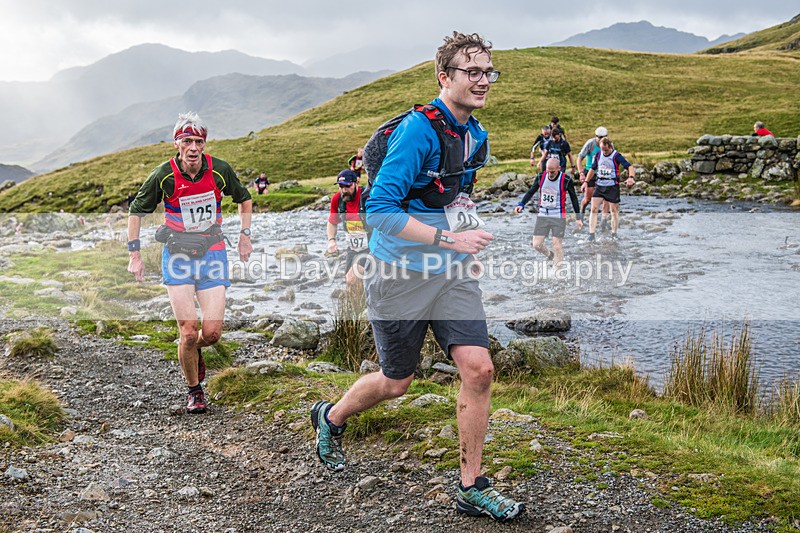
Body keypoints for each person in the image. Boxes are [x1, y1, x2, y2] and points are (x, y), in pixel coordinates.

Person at [309, 31, 524, 522]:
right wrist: (450, 239)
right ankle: (332, 416)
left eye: (488, 71)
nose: (482, 80)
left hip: (450, 274)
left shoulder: (477, 136)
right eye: (471, 71)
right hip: (397, 273)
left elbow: (456, 197)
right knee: (396, 381)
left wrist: (466, 232)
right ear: (444, 77)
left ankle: (472, 485)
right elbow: (378, 209)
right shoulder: (417, 131)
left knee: (479, 369)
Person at [127, 112, 253, 414]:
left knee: (210, 334)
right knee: (187, 331)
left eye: (198, 141)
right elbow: (136, 212)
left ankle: (192, 350)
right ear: (177, 143)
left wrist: (245, 235)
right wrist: (135, 255)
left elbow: (244, 199)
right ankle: (195, 390)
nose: (193, 147)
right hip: (177, 256)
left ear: (204, 144)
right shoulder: (164, 175)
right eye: (187, 141)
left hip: (213, 253)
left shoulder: (220, 170)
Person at [514, 158, 583, 264]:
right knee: (536, 244)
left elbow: (574, 199)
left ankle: (558, 272)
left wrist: (578, 218)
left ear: (559, 169)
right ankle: (550, 255)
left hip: (558, 216)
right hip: (543, 215)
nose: (550, 174)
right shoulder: (540, 177)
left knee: (557, 245)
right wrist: (521, 204)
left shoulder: (566, 180)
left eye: (553, 172)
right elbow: (531, 191)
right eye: (548, 171)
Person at [584, 137, 635, 241]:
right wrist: (585, 182)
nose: (604, 152)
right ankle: (591, 234)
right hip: (599, 185)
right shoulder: (598, 155)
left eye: (606, 150)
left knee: (614, 210)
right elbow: (592, 169)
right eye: (602, 150)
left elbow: (629, 167)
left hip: (612, 186)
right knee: (593, 209)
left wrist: (631, 178)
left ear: (610, 146)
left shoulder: (617, 156)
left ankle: (614, 234)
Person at [326, 169, 369, 288]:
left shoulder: (367, 197)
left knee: (353, 278)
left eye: (347, 186)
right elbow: (332, 222)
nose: (344, 190)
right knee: (350, 284)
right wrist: (331, 240)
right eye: (341, 187)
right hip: (353, 248)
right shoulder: (337, 200)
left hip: (372, 247)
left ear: (357, 183)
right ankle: (357, 306)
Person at [578, 126, 611, 228]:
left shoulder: (610, 145)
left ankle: (603, 221)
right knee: (588, 199)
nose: (601, 141)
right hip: (590, 172)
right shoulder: (590, 144)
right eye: (599, 138)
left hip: (603, 173)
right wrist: (581, 173)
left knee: (606, 198)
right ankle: (582, 214)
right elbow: (579, 158)